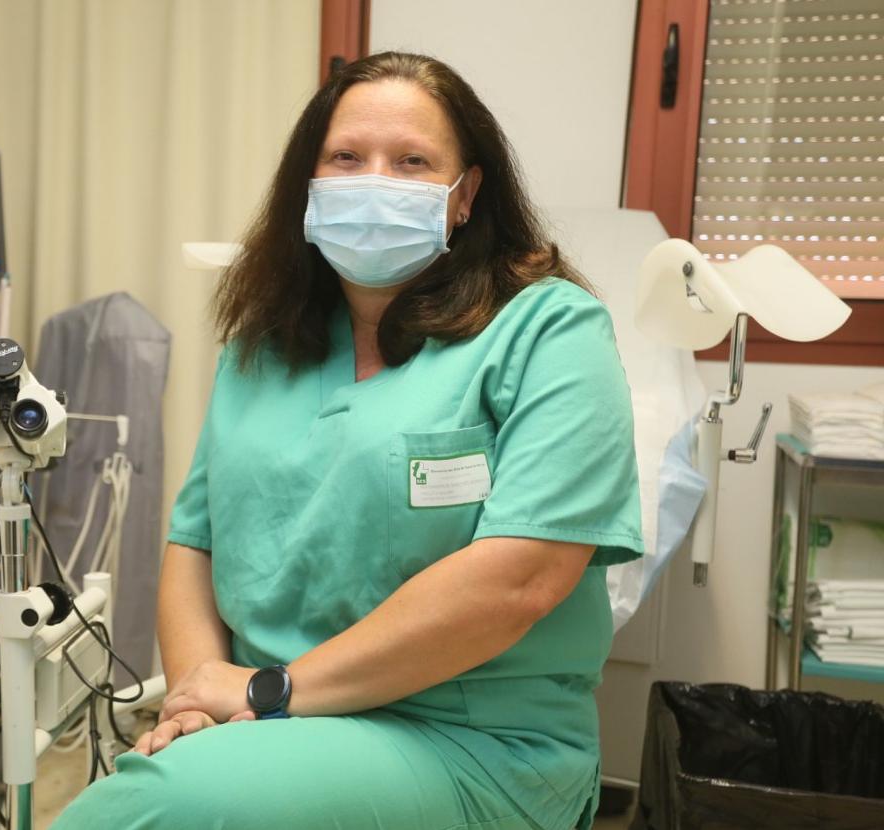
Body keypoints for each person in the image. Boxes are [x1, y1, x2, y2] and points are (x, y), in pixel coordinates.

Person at [54, 51, 643, 830]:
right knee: (177, 782)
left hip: (469, 742)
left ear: (464, 195)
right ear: (309, 184)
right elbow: (194, 541)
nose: (376, 181)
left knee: (154, 809)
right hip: (264, 723)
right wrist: (198, 696)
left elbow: (522, 577)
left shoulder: (548, 328)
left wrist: (272, 690)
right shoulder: (262, 347)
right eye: (346, 158)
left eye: (412, 162)